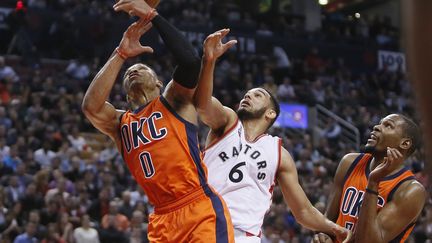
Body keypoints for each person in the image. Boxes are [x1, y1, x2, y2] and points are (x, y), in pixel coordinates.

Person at [82, 0, 234, 242]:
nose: (133, 70)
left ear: (159, 84)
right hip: (162, 220)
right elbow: (90, 107)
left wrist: (153, 16)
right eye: (129, 72)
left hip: (198, 208)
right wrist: (121, 53)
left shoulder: (173, 101)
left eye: (143, 69)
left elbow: (190, 62)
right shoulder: (121, 124)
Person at [195, 29, 351, 243]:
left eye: (257, 94)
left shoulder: (280, 154)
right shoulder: (227, 123)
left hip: (245, 237)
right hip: (203, 226)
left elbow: (303, 211)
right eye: (247, 94)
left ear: (271, 113)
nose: (248, 95)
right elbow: (203, 106)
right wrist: (209, 61)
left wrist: (336, 229)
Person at [312, 114, 426, 242]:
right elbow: (329, 219)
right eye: (380, 123)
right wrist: (322, 236)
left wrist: (373, 182)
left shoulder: (410, 190)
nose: (376, 127)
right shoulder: (349, 162)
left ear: (404, 143)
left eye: (388, 126)